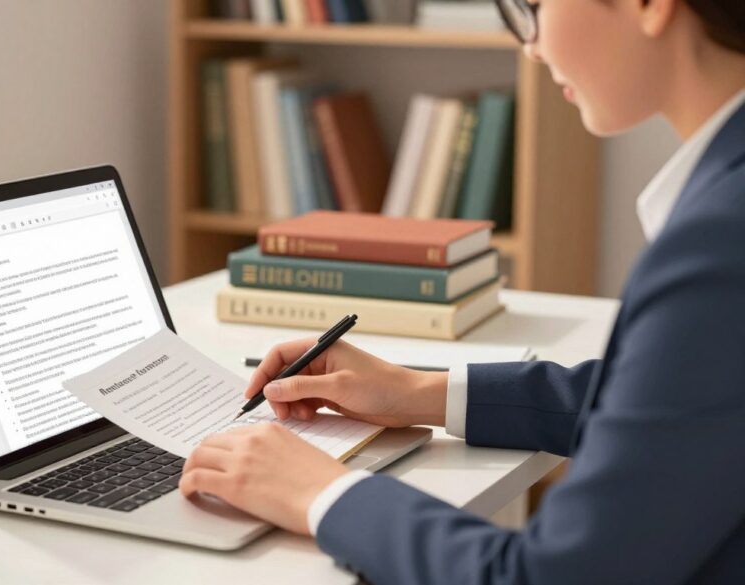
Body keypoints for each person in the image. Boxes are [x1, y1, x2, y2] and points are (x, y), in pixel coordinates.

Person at [178, 0, 745, 582]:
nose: (531, 45)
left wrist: (322, 494)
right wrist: (418, 390)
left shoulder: (718, 244)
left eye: (532, 8)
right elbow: (683, 402)